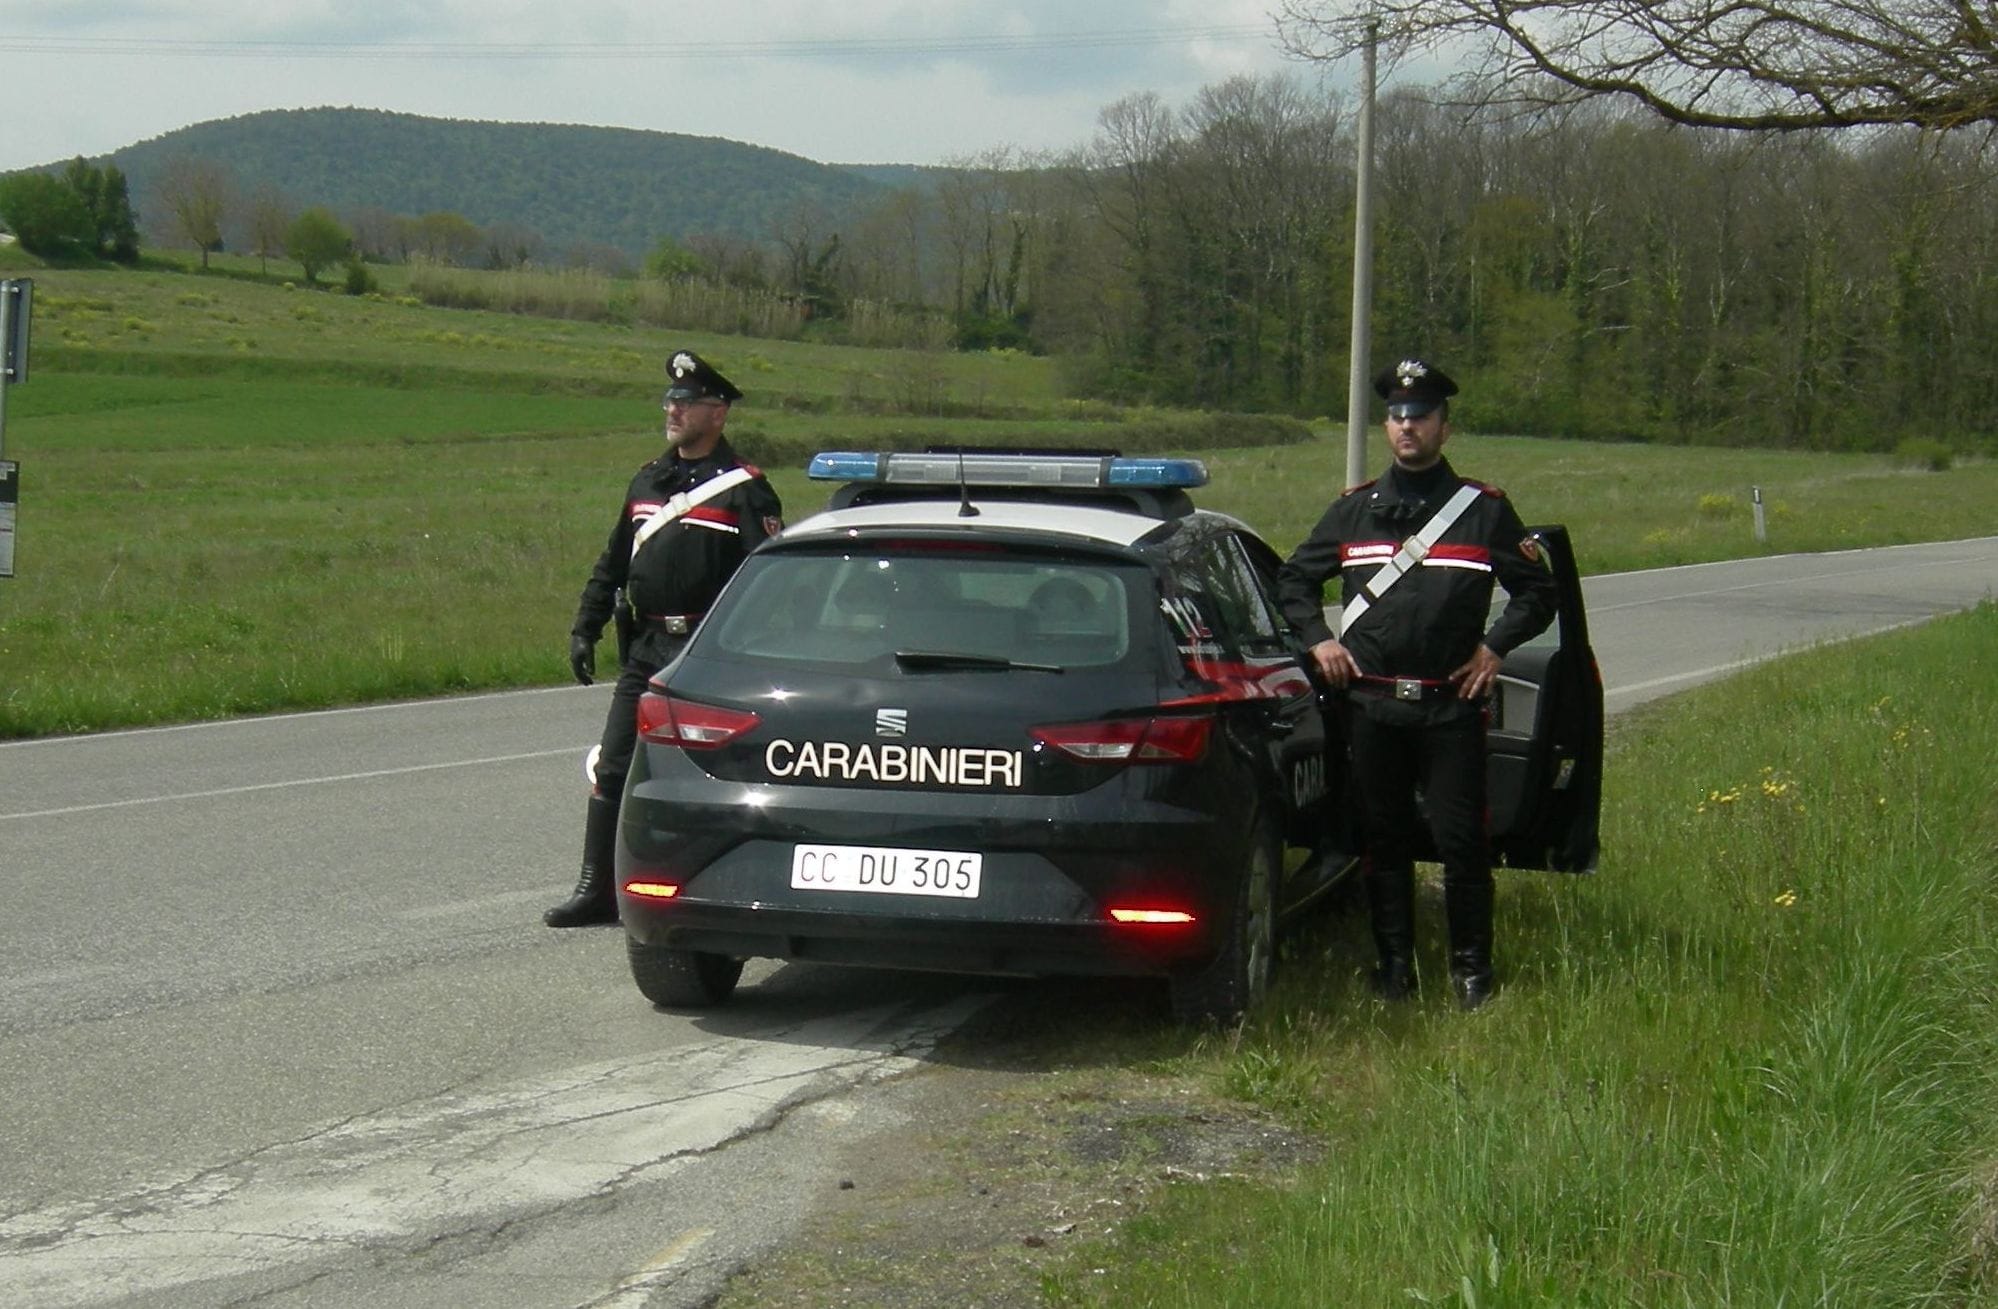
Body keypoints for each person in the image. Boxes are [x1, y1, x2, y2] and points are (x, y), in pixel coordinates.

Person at [1276, 358, 1557, 1008]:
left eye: (1421, 416)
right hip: (1371, 706)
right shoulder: (1353, 511)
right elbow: (1293, 580)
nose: (1409, 427)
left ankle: (1472, 974)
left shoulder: (1483, 512)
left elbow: (1537, 591)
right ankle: (1394, 968)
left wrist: (1495, 647)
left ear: (1444, 427)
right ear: (1387, 426)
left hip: (1449, 708)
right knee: (1384, 838)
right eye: (1398, 416)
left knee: (1462, 843)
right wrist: (1318, 640)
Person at [544, 349, 784, 928]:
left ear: (717, 413)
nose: (673, 410)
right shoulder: (649, 479)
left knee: (708, 774)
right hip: (647, 648)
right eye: (670, 400)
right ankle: (596, 890)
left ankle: (726, 883)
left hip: (706, 654)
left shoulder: (745, 490)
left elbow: (768, 588)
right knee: (614, 767)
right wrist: (586, 627)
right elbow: (613, 563)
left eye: (686, 401)